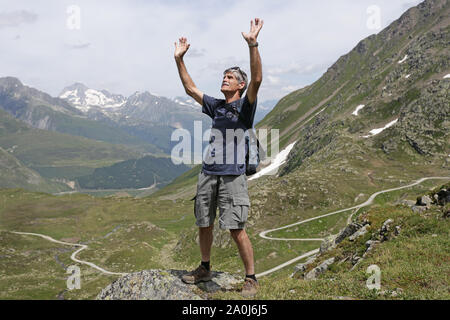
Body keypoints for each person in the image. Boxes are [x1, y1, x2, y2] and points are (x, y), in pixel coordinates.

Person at [174, 18, 263, 298]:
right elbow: (190, 89)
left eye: (230, 77)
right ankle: (204, 268)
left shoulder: (244, 108)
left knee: (236, 228)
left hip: (232, 175)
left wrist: (253, 44)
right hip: (208, 173)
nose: (224, 79)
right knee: (204, 223)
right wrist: (179, 60)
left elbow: (257, 78)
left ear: (240, 85)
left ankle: (251, 278)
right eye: (223, 76)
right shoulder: (217, 106)